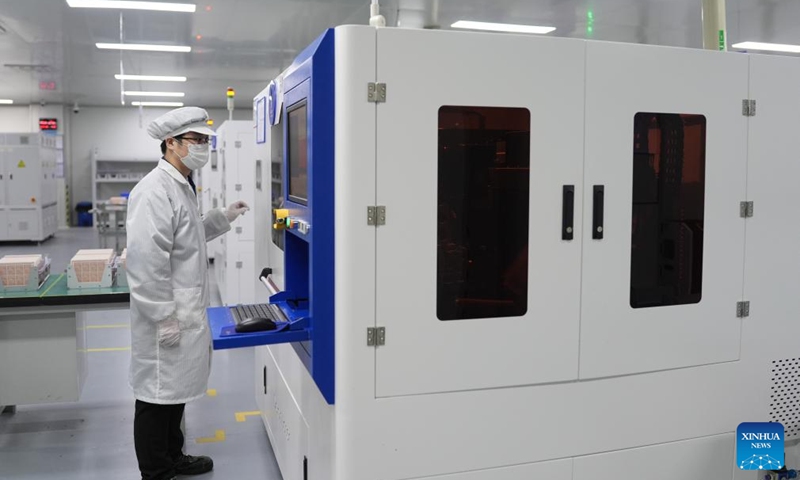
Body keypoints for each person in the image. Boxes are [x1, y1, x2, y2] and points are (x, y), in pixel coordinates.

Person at [126, 107, 250, 480]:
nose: (203, 147)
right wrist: (163, 315)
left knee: (174, 393)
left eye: (205, 140)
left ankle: (173, 456)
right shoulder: (153, 191)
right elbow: (147, 263)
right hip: (165, 314)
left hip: (184, 311)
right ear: (172, 144)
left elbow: (188, 236)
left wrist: (222, 216)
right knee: (156, 395)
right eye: (196, 140)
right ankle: (156, 471)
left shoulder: (181, 184)